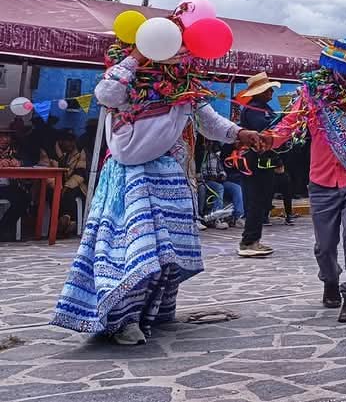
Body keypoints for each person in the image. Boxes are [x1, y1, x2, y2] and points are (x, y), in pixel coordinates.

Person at [52, 40, 263, 345]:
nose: (175, 54)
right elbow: (106, 93)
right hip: (129, 179)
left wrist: (241, 134)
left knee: (166, 253)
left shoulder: (185, 89)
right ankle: (123, 319)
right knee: (131, 250)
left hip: (168, 177)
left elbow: (210, 122)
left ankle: (153, 312)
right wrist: (136, 58)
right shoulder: (126, 81)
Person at [259, 36, 346, 323]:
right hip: (321, 180)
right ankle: (330, 279)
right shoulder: (313, 93)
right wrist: (266, 140)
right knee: (324, 246)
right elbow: (289, 124)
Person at [236, 71, 286, 258]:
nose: (271, 93)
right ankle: (249, 241)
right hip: (255, 162)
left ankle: (253, 239)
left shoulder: (263, 108)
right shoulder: (254, 110)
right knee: (256, 202)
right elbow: (265, 134)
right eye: (268, 90)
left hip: (264, 163)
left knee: (261, 201)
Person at [39, 130, 88, 239]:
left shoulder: (80, 153)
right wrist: (58, 186)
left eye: (72, 141)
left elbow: (80, 173)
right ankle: (61, 223)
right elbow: (47, 173)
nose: (71, 144)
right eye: (68, 141)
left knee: (69, 194)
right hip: (57, 184)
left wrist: (66, 186)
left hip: (77, 185)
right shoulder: (51, 154)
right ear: (60, 142)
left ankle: (66, 220)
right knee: (51, 194)